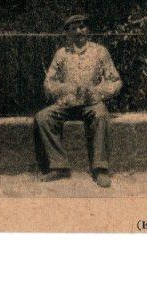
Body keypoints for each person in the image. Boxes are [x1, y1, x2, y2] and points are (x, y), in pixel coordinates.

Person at [33, 14, 122, 188]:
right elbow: (49, 82)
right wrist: (64, 90)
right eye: (73, 29)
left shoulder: (100, 52)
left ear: (87, 30)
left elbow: (115, 80)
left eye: (82, 27)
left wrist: (98, 91)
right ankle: (59, 166)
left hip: (92, 103)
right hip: (67, 104)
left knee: (101, 115)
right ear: (67, 33)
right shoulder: (61, 54)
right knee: (43, 117)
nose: (78, 32)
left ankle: (100, 169)